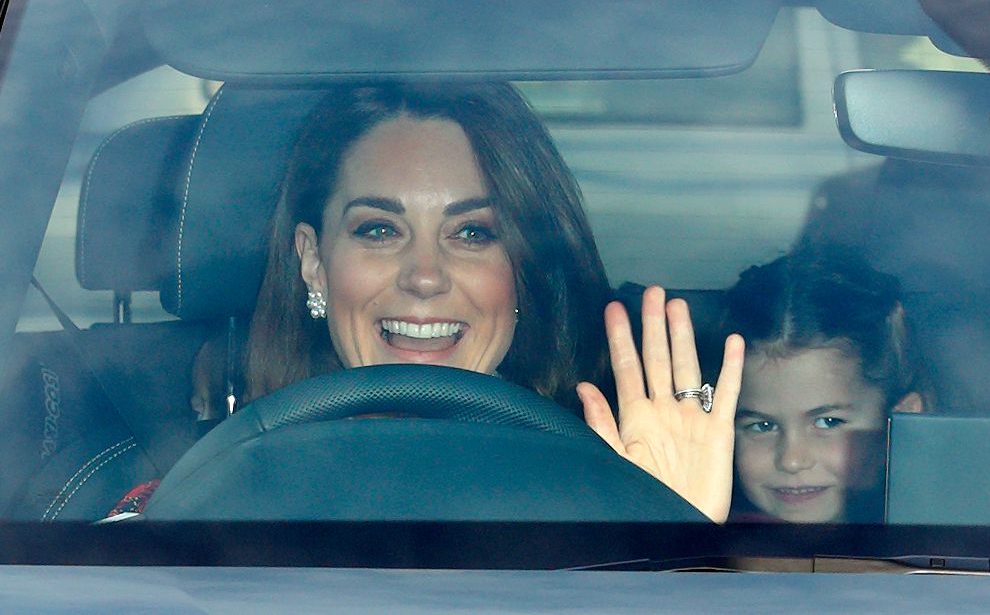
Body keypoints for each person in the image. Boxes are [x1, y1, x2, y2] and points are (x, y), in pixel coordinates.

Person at [241, 82, 745, 523]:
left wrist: (670, 534)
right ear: (313, 261)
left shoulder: (601, 490)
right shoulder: (212, 504)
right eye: (379, 229)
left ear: (523, 273)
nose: (424, 277)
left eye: (472, 232)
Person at [723, 244, 928, 523]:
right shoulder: (711, 545)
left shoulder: (943, 545)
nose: (792, 461)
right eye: (762, 426)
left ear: (903, 420)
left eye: (828, 422)